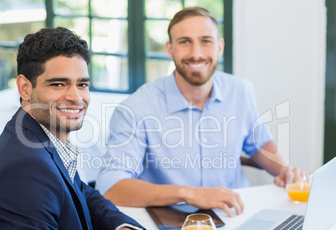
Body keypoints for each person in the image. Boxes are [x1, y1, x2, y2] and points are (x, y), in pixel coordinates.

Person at [0, 27, 177, 230]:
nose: (76, 97)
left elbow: (78, 191)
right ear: (25, 88)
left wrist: (120, 225)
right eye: (58, 84)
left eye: (82, 84)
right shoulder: (25, 168)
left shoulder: (36, 133)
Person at [95, 7, 298, 217]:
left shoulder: (240, 91)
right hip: (173, 224)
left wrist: (286, 172)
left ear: (219, 47)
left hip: (235, 214)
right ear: (170, 49)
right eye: (184, 42)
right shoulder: (135, 108)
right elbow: (111, 188)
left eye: (206, 41)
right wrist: (188, 194)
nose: (196, 53)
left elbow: (260, 144)